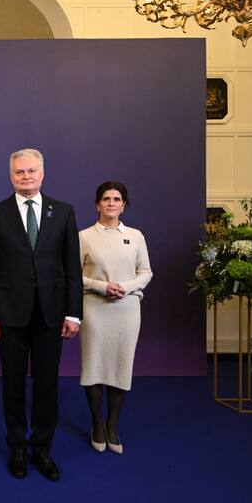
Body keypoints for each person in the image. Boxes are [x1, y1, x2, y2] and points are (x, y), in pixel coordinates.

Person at [0, 148, 82, 482]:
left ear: (43, 173)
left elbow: (72, 269)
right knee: (12, 385)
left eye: (32, 171)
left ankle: (42, 448)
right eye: (20, 172)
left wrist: (74, 314)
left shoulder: (63, 212)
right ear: (11, 176)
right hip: (9, 315)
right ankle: (17, 447)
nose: (26, 177)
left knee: (47, 384)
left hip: (52, 314)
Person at [79, 181, 152, 455]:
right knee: (94, 365)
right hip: (94, 308)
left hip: (127, 310)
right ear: (97, 204)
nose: (111, 203)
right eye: (106, 199)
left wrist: (127, 287)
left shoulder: (135, 236)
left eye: (117, 199)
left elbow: (145, 271)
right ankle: (97, 424)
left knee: (121, 366)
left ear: (124, 205)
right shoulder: (84, 236)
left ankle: (112, 425)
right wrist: (101, 286)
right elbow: (73, 274)